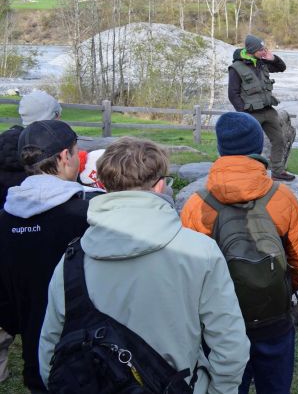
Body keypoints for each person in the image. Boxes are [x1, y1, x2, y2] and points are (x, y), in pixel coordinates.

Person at [39, 137, 249, 393]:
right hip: (178, 383)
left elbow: (51, 343)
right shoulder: (200, 251)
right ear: (160, 186)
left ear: (103, 185)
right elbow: (229, 343)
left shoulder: (73, 257)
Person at [181, 112, 298, 394]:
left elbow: (187, 271)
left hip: (220, 321)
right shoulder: (282, 197)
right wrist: (274, 290)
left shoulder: (197, 204)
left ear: (221, 148)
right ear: (258, 146)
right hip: (273, 318)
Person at [0, 120, 98, 393]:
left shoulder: (5, 218)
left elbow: (5, 304)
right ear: (65, 156)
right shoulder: (87, 214)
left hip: (35, 355)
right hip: (87, 355)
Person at [228, 34, 296, 181]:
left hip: (268, 110)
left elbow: (281, 68)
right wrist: (243, 113)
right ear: (252, 50)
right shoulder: (236, 68)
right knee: (248, 144)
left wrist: (273, 58)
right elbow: (232, 94)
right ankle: (246, 173)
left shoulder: (262, 62)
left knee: (280, 139)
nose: (264, 51)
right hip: (251, 113)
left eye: (264, 48)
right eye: (261, 49)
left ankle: (277, 171)